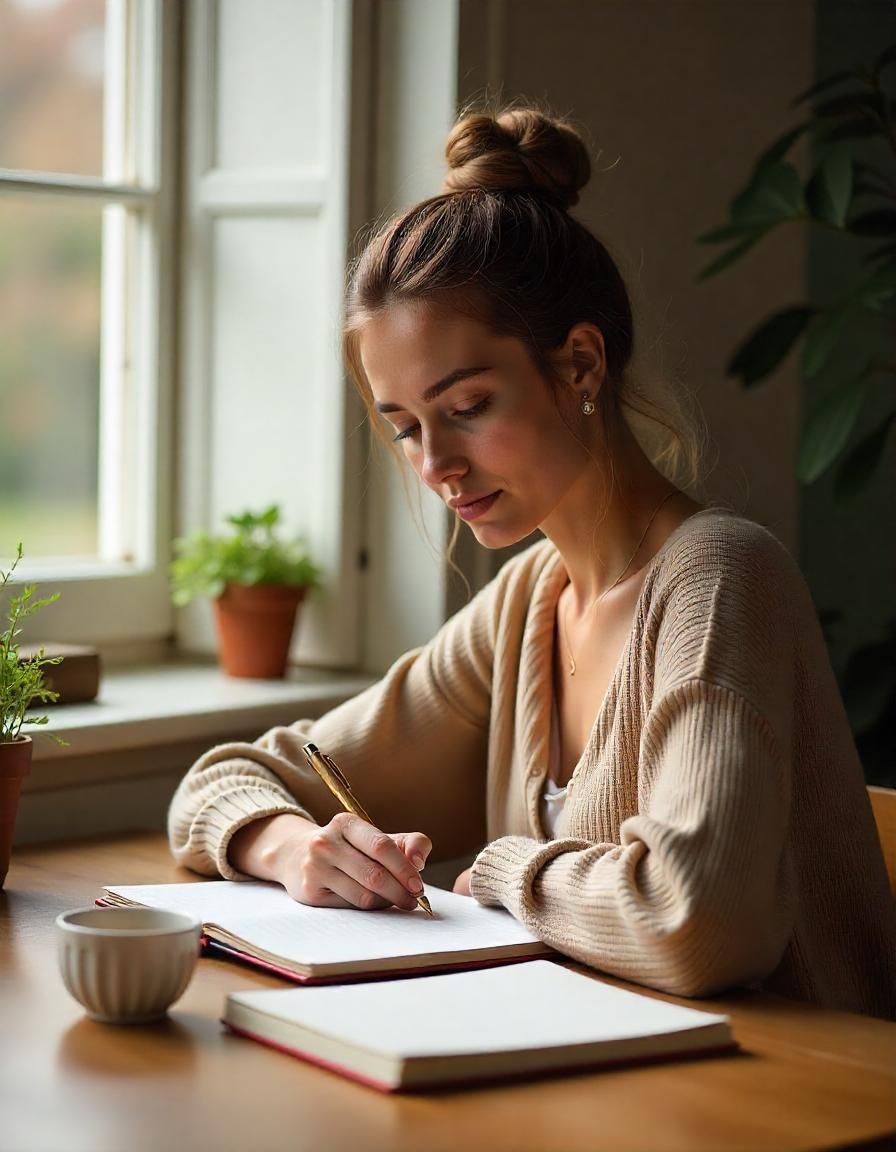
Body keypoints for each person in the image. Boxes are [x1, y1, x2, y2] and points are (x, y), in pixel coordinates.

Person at [168, 108, 896, 1020]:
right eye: (404, 429)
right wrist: (290, 849)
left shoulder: (719, 579)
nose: (434, 466)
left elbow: (700, 923)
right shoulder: (529, 601)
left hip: (793, 1100)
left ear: (582, 364)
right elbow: (223, 779)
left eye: (467, 405)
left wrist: (506, 868)